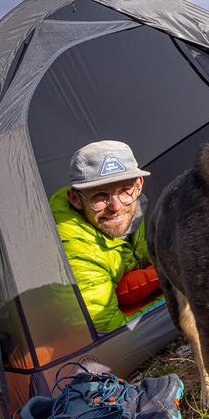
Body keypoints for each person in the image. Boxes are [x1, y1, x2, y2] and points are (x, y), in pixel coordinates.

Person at [50, 140, 161, 332]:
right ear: (75, 199)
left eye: (125, 190)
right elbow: (109, 331)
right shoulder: (76, 253)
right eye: (100, 196)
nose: (116, 207)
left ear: (139, 184)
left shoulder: (134, 207)